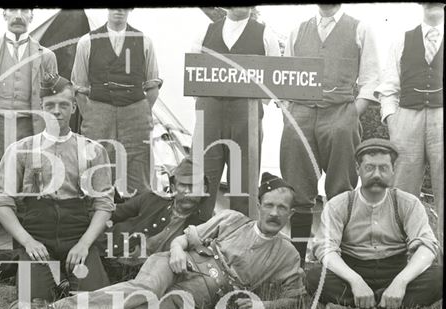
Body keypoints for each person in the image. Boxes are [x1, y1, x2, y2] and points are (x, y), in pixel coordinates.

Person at [17, 173, 306, 309]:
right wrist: (178, 249)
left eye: (282, 208)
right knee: (146, 290)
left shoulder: (287, 254)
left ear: (291, 214)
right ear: (259, 206)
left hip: (203, 294)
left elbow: (296, 298)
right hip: (176, 263)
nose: (274, 213)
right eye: (269, 205)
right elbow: (186, 238)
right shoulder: (233, 220)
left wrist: (265, 306)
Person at [0, 74, 115, 302]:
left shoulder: (94, 151)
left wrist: (84, 244)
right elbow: (1, 202)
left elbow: (104, 204)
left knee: (96, 303)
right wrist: (27, 241)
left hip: (77, 234)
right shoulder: (20, 150)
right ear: (41, 108)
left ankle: (71, 278)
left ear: (74, 108)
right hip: (37, 235)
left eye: (63, 105)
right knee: (33, 304)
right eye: (50, 105)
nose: (56, 111)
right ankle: (42, 277)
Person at [280, 3, 379, 263]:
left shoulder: (360, 28)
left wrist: (351, 115)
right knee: (298, 191)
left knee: (340, 190)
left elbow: (371, 78)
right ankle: (296, 264)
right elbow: (283, 75)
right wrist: (288, 112)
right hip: (300, 112)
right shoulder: (298, 30)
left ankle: (337, 260)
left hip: (340, 112)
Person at [306, 139, 442, 309]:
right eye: (370, 167)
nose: (376, 174)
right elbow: (325, 249)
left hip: (395, 271)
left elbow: (427, 247)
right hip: (352, 270)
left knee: (439, 276)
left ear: (393, 170)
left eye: (384, 168)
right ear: (358, 169)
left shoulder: (407, 203)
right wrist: (355, 281)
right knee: (314, 277)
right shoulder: (339, 204)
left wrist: (400, 283)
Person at [0, 8, 58, 252]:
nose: (18, 16)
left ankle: (23, 264)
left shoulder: (46, 55)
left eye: (24, 11)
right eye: (13, 11)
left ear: (31, 17)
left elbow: (52, 100)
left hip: (28, 130)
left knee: (26, 194)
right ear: (4, 15)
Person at [189, 6, 282, 218]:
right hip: (209, 117)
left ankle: (239, 241)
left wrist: (252, 106)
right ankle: (196, 238)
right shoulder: (205, 32)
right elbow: (193, 76)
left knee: (243, 185)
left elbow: (274, 79)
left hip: (246, 118)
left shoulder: (265, 34)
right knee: (201, 181)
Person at [71, 8, 162, 196]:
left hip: (135, 116)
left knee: (138, 172)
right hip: (99, 114)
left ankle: (136, 221)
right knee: (97, 170)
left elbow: (152, 86)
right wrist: (92, 115)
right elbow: (79, 87)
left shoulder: (145, 41)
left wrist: (141, 111)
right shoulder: (86, 42)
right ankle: (97, 220)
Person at [375, 2, 443, 246]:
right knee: (402, 192)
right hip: (407, 118)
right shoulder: (402, 40)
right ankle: (400, 253)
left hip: (441, 117)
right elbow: (388, 86)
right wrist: (393, 120)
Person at [100, 158, 208, 282]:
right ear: (173, 188)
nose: (188, 192)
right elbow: (112, 213)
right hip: (110, 258)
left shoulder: (202, 226)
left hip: (146, 279)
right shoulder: (152, 200)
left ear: (203, 190)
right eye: (183, 185)